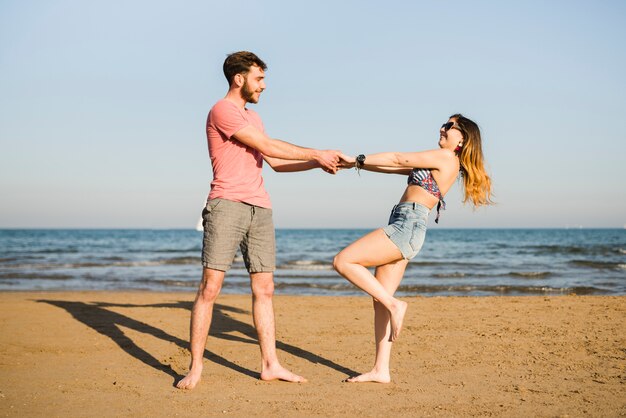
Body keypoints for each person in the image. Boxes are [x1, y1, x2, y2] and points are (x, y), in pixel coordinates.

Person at [176, 51, 342, 390]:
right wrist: (315, 152)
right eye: (259, 78)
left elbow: (275, 161)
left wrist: (320, 163)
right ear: (239, 79)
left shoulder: (254, 118)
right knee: (211, 287)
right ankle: (195, 368)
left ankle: (270, 364)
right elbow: (266, 145)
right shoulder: (222, 111)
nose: (263, 86)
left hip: (260, 208)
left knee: (264, 288)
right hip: (226, 205)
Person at [333, 114, 492, 383]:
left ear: (461, 138)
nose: (442, 128)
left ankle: (396, 305)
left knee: (343, 261)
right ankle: (381, 370)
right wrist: (354, 164)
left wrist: (357, 158)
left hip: (407, 224)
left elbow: (397, 158)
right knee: (379, 299)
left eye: (449, 126)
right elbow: (394, 168)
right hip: (406, 223)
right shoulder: (440, 161)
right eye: (444, 123)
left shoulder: (446, 158)